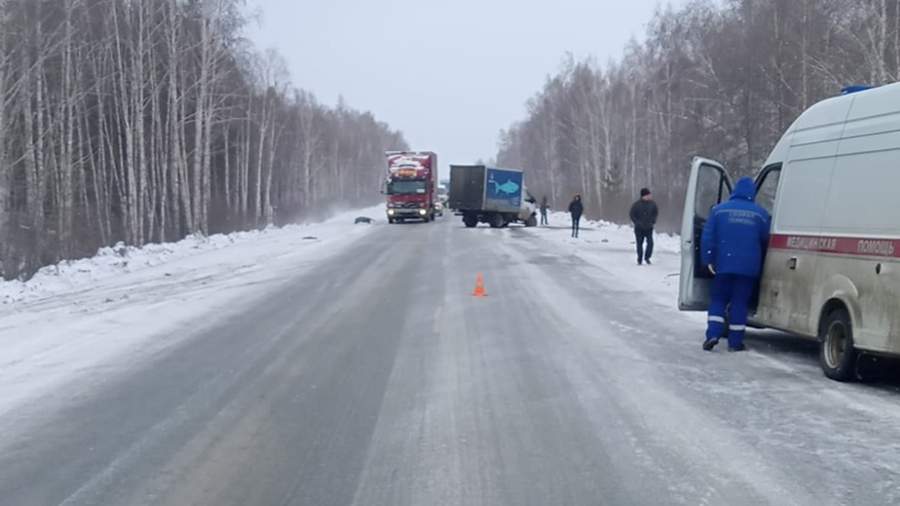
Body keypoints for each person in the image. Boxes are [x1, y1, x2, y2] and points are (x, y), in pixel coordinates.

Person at [701, 177, 771, 353]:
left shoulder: (718, 211)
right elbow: (766, 239)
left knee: (718, 300)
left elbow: (708, 237)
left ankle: (713, 335)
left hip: (723, 265)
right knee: (739, 303)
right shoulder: (760, 214)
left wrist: (708, 259)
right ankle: (735, 342)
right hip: (748, 268)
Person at [629, 188, 658, 265]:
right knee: (639, 244)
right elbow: (632, 215)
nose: (649, 196)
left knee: (650, 243)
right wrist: (637, 222)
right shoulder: (636, 205)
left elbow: (655, 213)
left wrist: (653, 221)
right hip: (639, 228)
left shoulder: (653, 204)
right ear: (643, 196)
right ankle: (639, 258)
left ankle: (647, 257)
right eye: (648, 195)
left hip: (649, 227)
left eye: (650, 195)